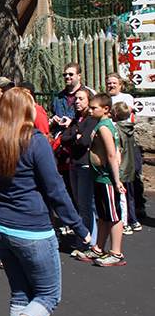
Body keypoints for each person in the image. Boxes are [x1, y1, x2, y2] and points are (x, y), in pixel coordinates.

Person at [0, 87, 90, 316]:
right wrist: (78, 227)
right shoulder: (35, 141)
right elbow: (55, 190)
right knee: (48, 296)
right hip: (30, 229)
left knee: (21, 292)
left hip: (0, 227)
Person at [78, 93, 126, 267]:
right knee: (103, 215)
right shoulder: (100, 125)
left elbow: (112, 154)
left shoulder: (105, 127)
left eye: (94, 108)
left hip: (106, 178)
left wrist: (116, 179)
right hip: (98, 177)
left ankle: (116, 252)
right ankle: (98, 248)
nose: (90, 110)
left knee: (113, 215)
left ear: (106, 109)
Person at [60, 88, 98, 255]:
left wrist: (76, 138)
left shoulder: (90, 120)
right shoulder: (76, 119)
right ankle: (82, 241)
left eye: (81, 99)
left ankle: (89, 243)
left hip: (85, 166)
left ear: (88, 101)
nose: (77, 102)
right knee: (78, 204)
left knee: (86, 205)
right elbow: (63, 138)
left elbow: (83, 142)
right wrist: (74, 136)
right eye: (76, 99)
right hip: (74, 165)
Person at [112, 102, 140, 235]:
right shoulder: (131, 128)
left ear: (115, 115)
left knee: (121, 197)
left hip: (121, 166)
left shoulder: (117, 129)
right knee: (130, 195)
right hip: (130, 165)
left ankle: (125, 223)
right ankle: (134, 220)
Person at [51, 62, 87, 128]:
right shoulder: (58, 97)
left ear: (79, 76)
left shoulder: (88, 95)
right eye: (65, 75)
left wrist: (73, 123)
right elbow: (52, 114)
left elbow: (92, 119)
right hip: (60, 134)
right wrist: (53, 120)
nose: (67, 77)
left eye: (71, 74)